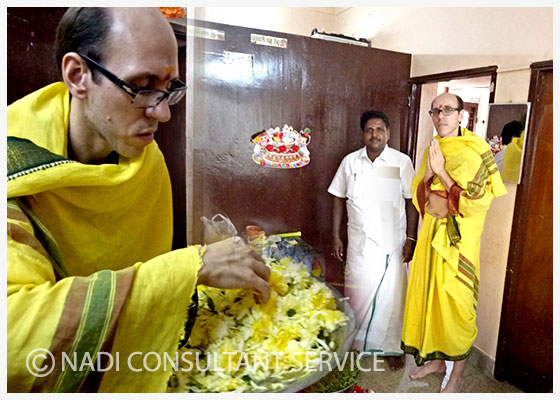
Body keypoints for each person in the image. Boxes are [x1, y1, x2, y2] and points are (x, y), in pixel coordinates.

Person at [7, 8, 270, 392]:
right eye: (141, 86)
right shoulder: (15, 169)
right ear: (78, 76)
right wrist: (188, 269)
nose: (161, 112)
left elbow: (149, 282)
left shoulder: (146, 160)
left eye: (168, 89)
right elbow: (12, 339)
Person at [400, 93, 507, 392]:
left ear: (462, 115)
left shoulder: (476, 151)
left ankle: (456, 378)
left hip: (457, 246)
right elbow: (419, 198)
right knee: (431, 304)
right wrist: (429, 176)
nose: (441, 116)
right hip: (430, 240)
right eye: (435, 111)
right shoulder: (432, 149)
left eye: (448, 110)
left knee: (458, 311)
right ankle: (436, 360)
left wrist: (443, 175)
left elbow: (475, 204)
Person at [328, 110, 418, 370]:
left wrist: (411, 238)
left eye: (380, 129)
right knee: (358, 295)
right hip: (359, 244)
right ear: (363, 134)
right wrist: (336, 235)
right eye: (369, 130)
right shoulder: (350, 162)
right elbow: (338, 197)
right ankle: (357, 346)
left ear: (388, 133)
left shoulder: (400, 162)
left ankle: (391, 346)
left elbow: (412, 202)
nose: (374, 134)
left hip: (392, 243)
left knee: (392, 297)